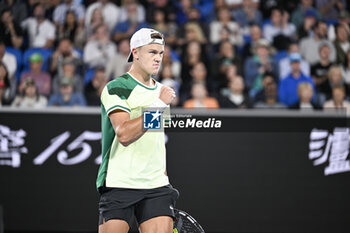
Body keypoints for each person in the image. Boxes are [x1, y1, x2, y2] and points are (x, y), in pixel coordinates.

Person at [97, 28, 179, 233]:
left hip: (156, 186)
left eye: (161, 53)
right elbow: (124, 134)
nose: (158, 58)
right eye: (152, 52)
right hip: (119, 182)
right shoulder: (117, 87)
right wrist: (159, 105)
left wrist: (164, 178)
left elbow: (155, 140)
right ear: (136, 53)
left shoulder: (161, 91)